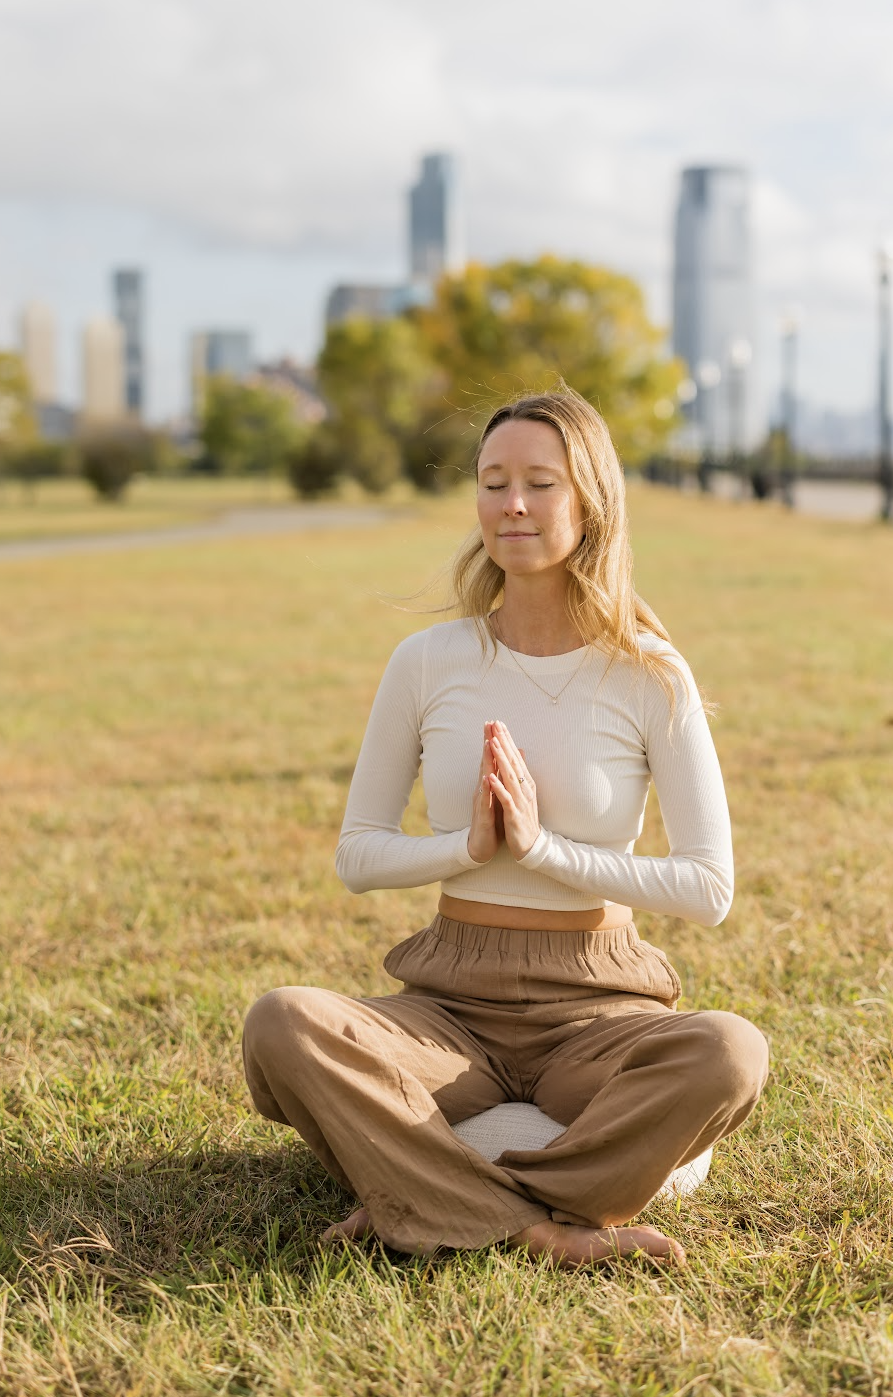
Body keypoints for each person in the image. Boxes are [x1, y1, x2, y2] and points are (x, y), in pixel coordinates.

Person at [242, 388, 768, 1266]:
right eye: (492, 483)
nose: (511, 504)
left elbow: (709, 889)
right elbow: (358, 854)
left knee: (729, 1051)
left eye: (539, 483)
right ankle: (539, 1229)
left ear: (590, 502)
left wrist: (543, 851)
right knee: (282, 1023)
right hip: (450, 1007)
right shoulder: (427, 661)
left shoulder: (650, 676)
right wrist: (469, 849)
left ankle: (419, 1197)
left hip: (597, 1011)